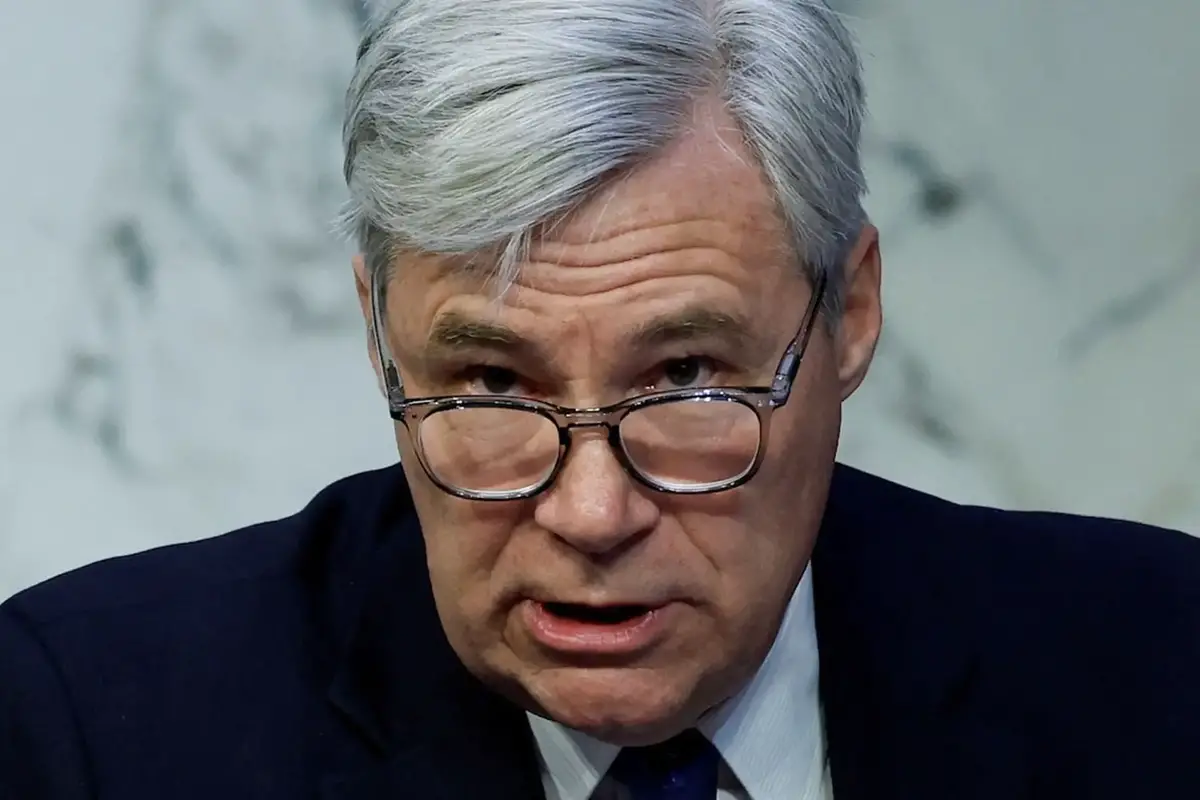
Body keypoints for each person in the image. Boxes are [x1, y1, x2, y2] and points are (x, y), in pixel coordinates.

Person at [3, 1, 1198, 798]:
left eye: (683, 377)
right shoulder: (92, 733)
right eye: (489, 381)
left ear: (850, 314)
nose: (588, 511)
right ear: (378, 335)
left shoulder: (1161, 669)